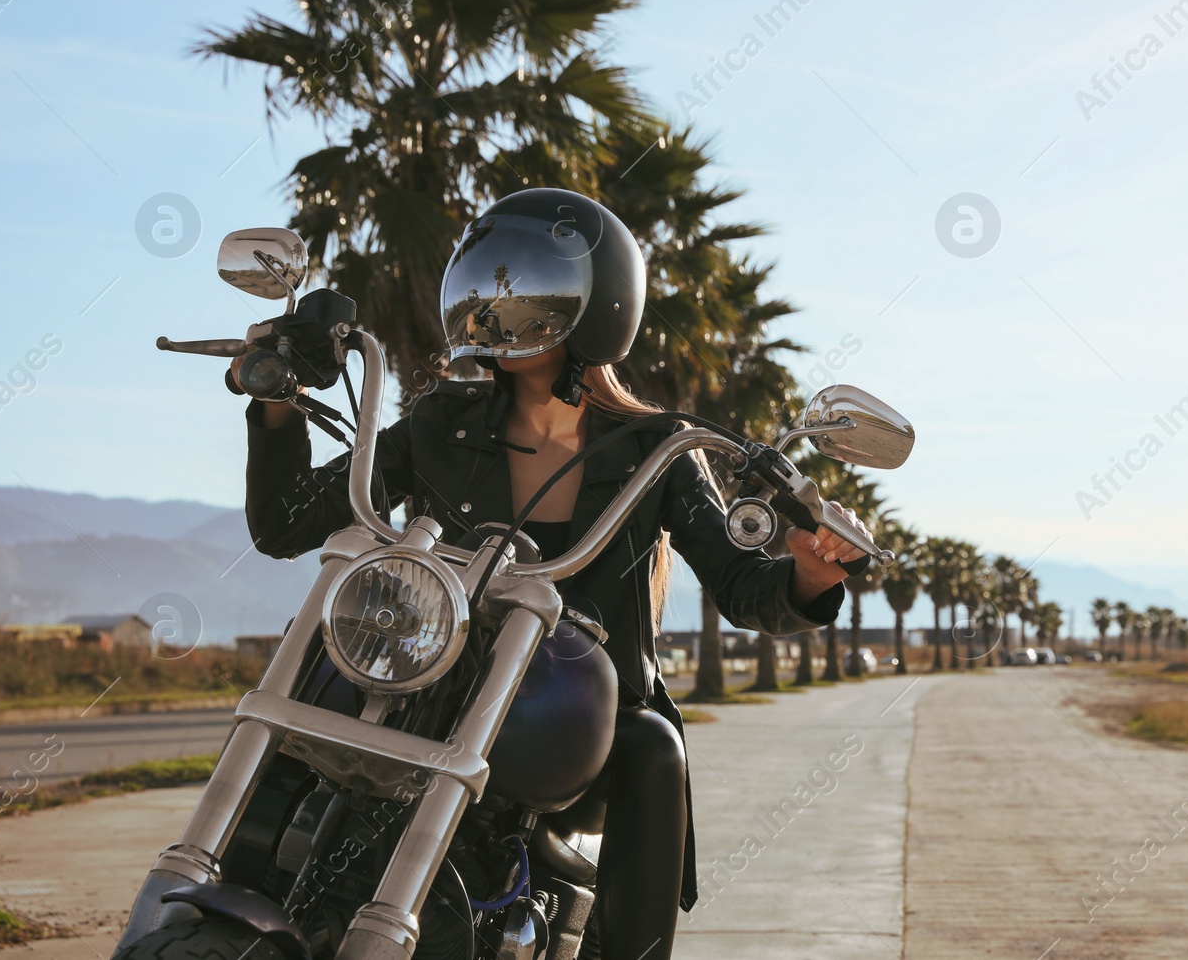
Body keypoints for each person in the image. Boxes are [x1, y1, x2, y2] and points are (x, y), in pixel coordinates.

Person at [237, 188, 872, 960]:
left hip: (576, 712)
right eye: (483, 284)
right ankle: (233, 904)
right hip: (434, 684)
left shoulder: (655, 446)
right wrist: (275, 401)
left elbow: (744, 589)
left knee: (652, 750)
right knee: (307, 684)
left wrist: (806, 573)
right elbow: (286, 523)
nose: (495, 305)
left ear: (599, 303)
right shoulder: (442, 423)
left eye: (527, 285)